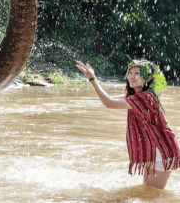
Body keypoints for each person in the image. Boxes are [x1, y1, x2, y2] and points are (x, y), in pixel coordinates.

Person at [76, 59, 180, 189]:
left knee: (152, 194)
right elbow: (109, 99)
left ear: (148, 78)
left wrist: (93, 79)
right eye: (130, 72)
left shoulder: (145, 97)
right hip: (153, 148)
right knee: (146, 190)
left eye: (137, 73)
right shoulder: (136, 95)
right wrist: (93, 81)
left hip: (163, 150)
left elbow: (108, 103)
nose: (132, 76)